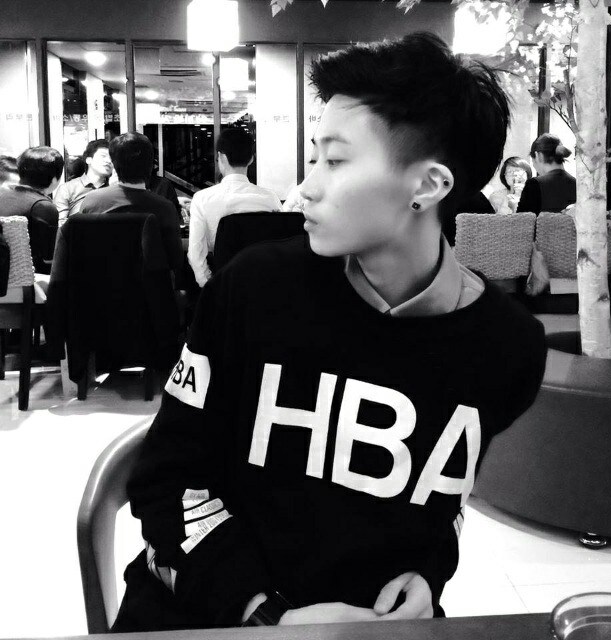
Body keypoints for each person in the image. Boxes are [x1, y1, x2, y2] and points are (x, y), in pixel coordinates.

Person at [111, 32, 547, 632]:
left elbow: (441, 500)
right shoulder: (256, 290)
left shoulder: (507, 347)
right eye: (315, 157)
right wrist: (266, 614)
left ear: (428, 186)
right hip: (210, 610)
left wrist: (427, 575)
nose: (307, 186)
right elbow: (167, 480)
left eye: (334, 161)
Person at [187, 127, 282, 287]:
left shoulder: (202, 199)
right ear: (251, 159)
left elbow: (195, 255)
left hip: (225, 286)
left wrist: (210, 285)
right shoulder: (270, 198)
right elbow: (280, 245)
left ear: (221, 157)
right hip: (264, 285)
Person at [80, 132, 183, 274]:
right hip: (150, 285)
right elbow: (175, 259)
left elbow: (82, 250)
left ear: (114, 165)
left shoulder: (92, 201)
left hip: (103, 282)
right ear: (150, 164)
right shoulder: (165, 207)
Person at [0, 146, 63, 274]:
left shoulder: (3, 194)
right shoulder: (43, 206)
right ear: (54, 179)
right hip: (26, 276)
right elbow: (49, 259)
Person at [53, 139, 112, 223]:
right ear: (89, 160)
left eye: (112, 158)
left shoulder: (115, 189)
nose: (108, 161)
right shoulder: (68, 188)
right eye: (103, 156)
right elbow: (60, 222)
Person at [517, 133, 576, 215]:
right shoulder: (577, 184)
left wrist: (513, 206)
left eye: (533, 161)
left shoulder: (534, 184)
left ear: (538, 155)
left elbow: (522, 220)